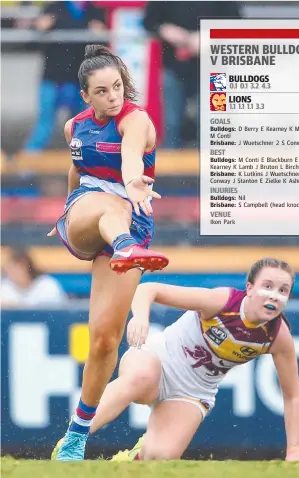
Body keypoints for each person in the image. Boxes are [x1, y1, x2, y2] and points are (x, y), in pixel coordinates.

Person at [50, 44, 169, 461]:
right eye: (102, 91)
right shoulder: (74, 126)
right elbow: (76, 167)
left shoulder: (136, 120)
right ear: (85, 95)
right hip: (91, 213)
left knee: (104, 340)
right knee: (109, 205)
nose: (113, 96)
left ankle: (76, 437)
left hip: (131, 222)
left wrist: (135, 180)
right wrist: (68, 211)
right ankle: (122, 245)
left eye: (117, 87)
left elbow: (133, 156)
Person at [84, 258, 299, 462]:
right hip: (157, 359)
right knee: (140, 378)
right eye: (267, 286)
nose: (274, 296)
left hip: (193, 392)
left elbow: (293, 396)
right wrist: (141, 317)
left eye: (283, 290)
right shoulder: (222, 301)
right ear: (249, 288)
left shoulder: (278, 336)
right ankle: (72, 440)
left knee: (160, 458)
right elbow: (147, 289)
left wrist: (294, 451)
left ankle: (134, 457)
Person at [143, 1, 241, 148]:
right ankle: (170, 169)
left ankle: (214, 168)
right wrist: (164, 29)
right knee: (171, 124)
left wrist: (211, 36)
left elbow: (236, 23)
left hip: (216, 69)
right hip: (174, 66)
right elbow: (149, 21)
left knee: (215, 123)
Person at [21, 1, 107, 152]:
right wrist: (38, 27)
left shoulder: (94, 11)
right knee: (44, 124)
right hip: (53, 76)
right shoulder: (54, 8)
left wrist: (101, 34)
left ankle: (86, 167)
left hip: (82, 79)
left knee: (84, 127)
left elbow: (103, 45)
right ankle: (28, 163)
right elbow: (31, 41)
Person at [1, 249, 68, 308]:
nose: (11, 273)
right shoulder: (6, 286)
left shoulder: (48, 284)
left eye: (14, 268)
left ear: (25, 266)